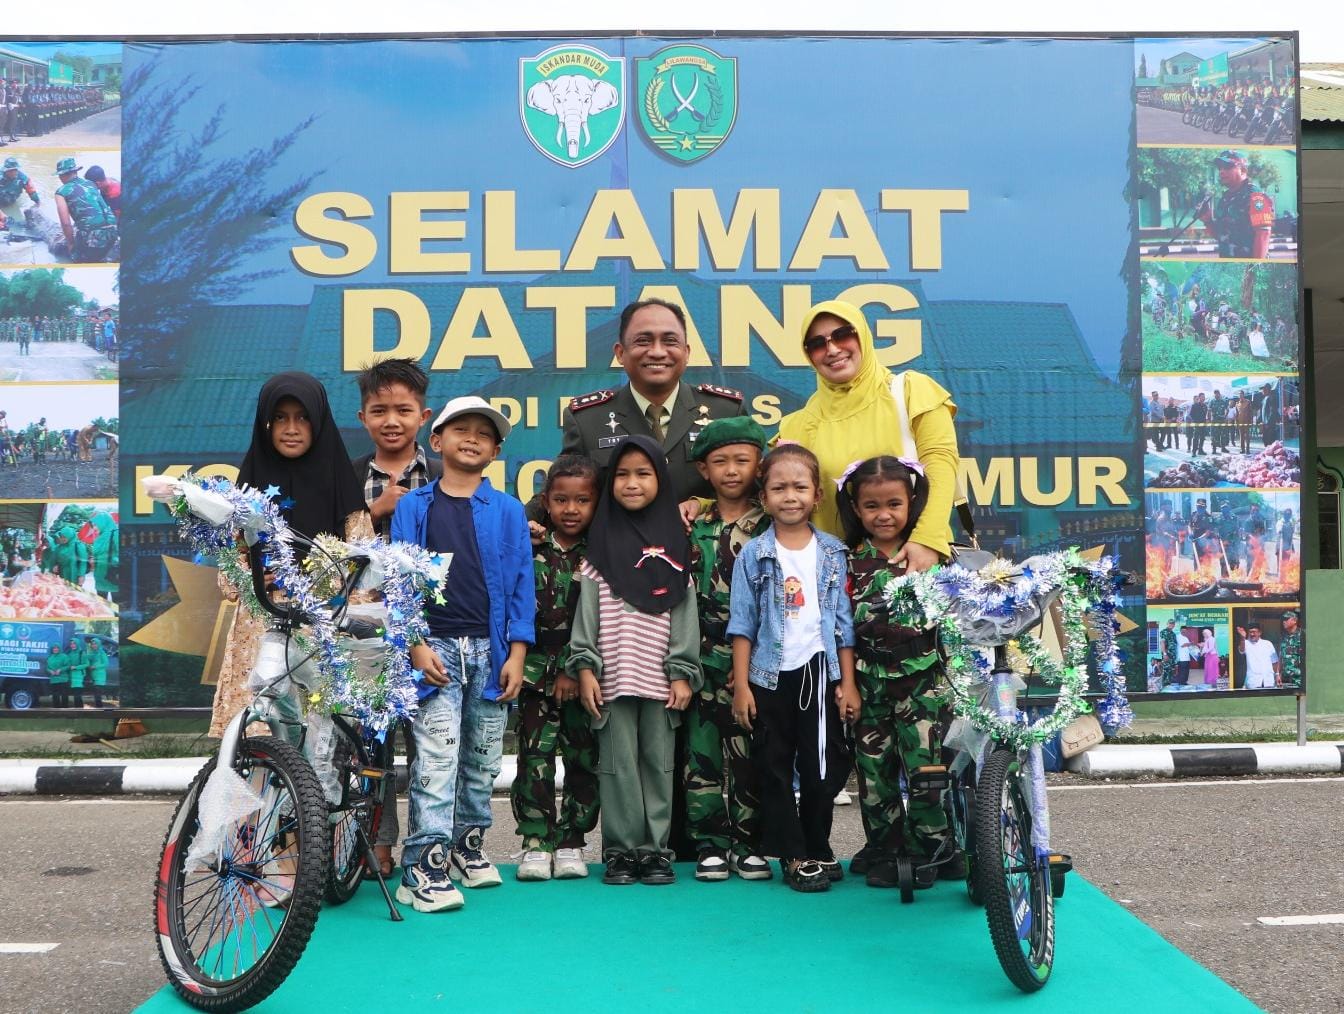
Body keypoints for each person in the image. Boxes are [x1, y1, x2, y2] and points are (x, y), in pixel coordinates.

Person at [391, 396, 534, 912]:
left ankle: (466, 849)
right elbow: (400, 582)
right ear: (437, 441)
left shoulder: (509, 510)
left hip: (492, 653)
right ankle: (421, 867)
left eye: (484, 433)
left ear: (495, 451)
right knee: (436, 758)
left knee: (483, 759)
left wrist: (516, 652)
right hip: (437, 649)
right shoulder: (413, 507)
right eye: (461, 429)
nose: (472, 438)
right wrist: (415, 643)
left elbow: (522, 584)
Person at [209, 372, 373, 738]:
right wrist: (248, 573)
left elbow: (363, 566)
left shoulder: (339, 483)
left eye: (303, 418)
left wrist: (335, 594)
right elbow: (227, 576)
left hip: (323, 623)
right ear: (265, 424)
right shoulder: (248, 487)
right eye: (279, 418)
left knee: (321, 742)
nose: (291, 428)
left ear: (319, 422)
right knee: (260, 737)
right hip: (261, 621)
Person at [568, 436, 700, 887]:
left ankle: (656, 851)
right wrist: (585, 667)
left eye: (644, 473)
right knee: (617, 766)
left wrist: (682, 672)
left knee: (658, 765)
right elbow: (586, 618)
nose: (631, 482)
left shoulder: (677, 551)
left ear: (661, 481)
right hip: (612, 680)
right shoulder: (599, 552)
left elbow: (685, 615)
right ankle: (622, 852)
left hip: (661, 682)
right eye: (622, 474)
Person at [728, 444, 858, 893]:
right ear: (763, 497)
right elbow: (742, 623)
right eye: (778, 488)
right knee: (775, 766)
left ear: (816, 495)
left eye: (800, 487)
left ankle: (818, 843)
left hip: (820, 674)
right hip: (769, 677)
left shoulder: (833, 554)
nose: (789, 496)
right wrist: (742, 685)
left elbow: (842, 625)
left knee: (826, 767)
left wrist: (847, 683)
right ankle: (794, 854)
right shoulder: (755, 554)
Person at [838, 455, 957, 890]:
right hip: (870, 687)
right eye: (871, 506)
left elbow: (954, 623)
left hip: (924, 686)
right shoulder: (846, 563)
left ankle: (934, 847)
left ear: (912, 503)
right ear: (855, 509)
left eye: (894, 503)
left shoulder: (932, 558)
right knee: (875, 772)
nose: (883, 515)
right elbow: (842, 631)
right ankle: (885, 850)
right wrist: (847, 685)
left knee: (927, 768)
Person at [778, 300, 959, 570]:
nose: (832, 349)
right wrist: (702, 505)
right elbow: (770, 494)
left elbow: (941, 464)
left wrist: (927, 540)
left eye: (842, 334)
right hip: (834, 583)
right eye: (817, 344)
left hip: (912, 565)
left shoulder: (910, 392)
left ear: (862, 335)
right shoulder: (796, 426)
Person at [351, 357, 439, 879]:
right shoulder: (346, 478)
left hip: (429, 629)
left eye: (403, 410)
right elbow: (333, 549)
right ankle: (376, 844)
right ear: (362, 417)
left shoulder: (445, 475)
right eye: (379, 410)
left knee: (428, 746)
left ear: (423, 416)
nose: (392, 420)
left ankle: (430, 849)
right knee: (372, 744)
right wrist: (373, 513)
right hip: (366, 627)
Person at [684, 417, 772, 882]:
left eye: (743, 459)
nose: (732, 470)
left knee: (748, 754)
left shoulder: (773, 522)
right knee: (701, 757)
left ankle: (750, 842)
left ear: (760, 465)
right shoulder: (692, 521)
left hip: (755, 661)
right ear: (703, 469)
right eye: (720, 461)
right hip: (699, 658)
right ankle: (710, 844)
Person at [558, 298, 748, 505]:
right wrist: (529, 523)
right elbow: (563, 490)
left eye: (670, 341)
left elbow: (755, 492)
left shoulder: (727, 412)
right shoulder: (587, 420)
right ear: (620, 353)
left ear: (686, 353)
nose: (657, 352)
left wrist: (703, 506)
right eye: (643, 341)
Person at [510, 455, 601, 882]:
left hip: (585, 677)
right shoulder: (529, 547)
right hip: (532, 675)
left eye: (582, 500)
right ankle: (535, 840)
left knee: (585, 760)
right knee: (535, 759)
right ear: (545, 501)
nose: (571, 509)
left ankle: (570, 841)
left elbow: (600, 622)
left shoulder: (601, 554)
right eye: (561, 500)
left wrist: (571, 667)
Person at [1197, 150, 1274, 259]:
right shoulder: (1225, 199)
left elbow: (1263, 235)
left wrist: (1253, 269)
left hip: (1248, 267)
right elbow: (1223, 237)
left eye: (1227, 167)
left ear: (1242, 170)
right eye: (1220, 168)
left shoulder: (1256, 196)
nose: (1221, 171)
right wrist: (1208, 221)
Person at [53, 156, 117, 262]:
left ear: (62, 175)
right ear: (75, 171)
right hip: (114, 231)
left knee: (77, 257)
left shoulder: (61, 192)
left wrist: (71, 244)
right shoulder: (90, 183)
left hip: (92, 236)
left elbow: (65, 223)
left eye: (59, 175)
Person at [1236, 624, 1280, 689]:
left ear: (1259, 633)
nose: (1252, 634)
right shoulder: (1246, 643)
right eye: (1250, 632)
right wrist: (1242, 638)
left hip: (1268, 681)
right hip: (1253, 681)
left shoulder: (1268, 643)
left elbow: (1274, 662)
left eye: (1254, 632)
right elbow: (1241, 650)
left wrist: (1277, 675)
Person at [1279, 611, 1303, 689]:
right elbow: (1281, 657)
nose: (1284, 621)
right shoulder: (1283, 637)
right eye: (1283, 619)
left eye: (1286, 619)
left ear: (1295, 620)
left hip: (1299, 681)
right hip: (1285, 680)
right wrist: (1278, 674)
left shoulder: (1303, 636)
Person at [65, 636, 89, 708]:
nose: (72, 645)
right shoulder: (69, 653)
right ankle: (77, 711)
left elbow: (87, 664)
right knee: (75, 695)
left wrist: (76, 667)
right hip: (71, 676)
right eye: (71, 644)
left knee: (77, 695)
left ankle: (80, 711)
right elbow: (68, 664)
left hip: (79, 676)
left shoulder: (82, 653)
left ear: (77, 644)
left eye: (74, 643)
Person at [85, 636, 108, 707]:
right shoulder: (92, 653)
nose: (94, 645)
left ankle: (100, 709)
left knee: (98, 694)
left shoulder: (102, 653)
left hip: (100, 676)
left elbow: (106, 664)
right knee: (96, 694)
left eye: (95, 644)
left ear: (98, 644)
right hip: (94, 676)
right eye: (92, 644)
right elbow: (87, 660)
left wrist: (95, 666)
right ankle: (99, 709)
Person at [46, 643, 69, 709]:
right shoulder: (50, 657)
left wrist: (60, 670)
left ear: (59, 649)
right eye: (54, 648)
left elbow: (68, 666)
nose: (55, 649)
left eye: (57, 648)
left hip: (63, 679)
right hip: (54, 679)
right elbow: (47, 667)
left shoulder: (64, 656)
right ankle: (56, 710)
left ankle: (65, 709)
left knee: (64, 695)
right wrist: (50, 671)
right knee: (55, 695)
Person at [1159, 618, 1178, 689]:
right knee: (1166, 670)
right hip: (1167, 655)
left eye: (1173, 623)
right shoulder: (1164, 632)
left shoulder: (1173, 634)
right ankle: (1164, 687)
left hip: (1172, 655)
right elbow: (1162, 642)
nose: (1171, 625)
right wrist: (1164, 654)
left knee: (1171, 671)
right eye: (1170, 623)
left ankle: (1169, 686)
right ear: (1167, 624)